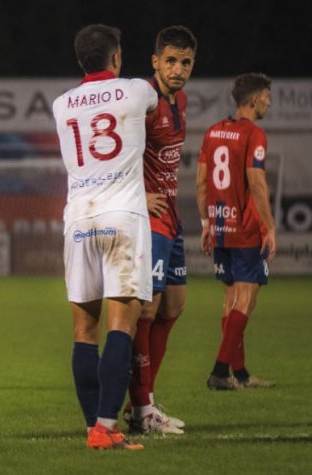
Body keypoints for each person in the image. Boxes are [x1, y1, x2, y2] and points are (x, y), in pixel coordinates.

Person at [52, 24, 157, 450]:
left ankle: (91, 426)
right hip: (123, 216)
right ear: (116, 57)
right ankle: (106, 428)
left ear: (81, 60)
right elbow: (157, 103)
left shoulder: (61, 104)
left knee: (84, 331)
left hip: (78, 219)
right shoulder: (136, 90)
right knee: (122, 326)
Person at [125, 26, 197, 435]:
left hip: (172, 216)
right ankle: (142, 408)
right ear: (155, 62)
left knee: (173, 307)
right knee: (147, 312)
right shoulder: (146, 103)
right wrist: (139, 194)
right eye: (170, 61)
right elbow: (121, 151)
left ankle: (144, 399)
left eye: (185, 62)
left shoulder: (180, 101)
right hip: (149, 219)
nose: (178, 69)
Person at [197, 73, 277, 391]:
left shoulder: (213, 131)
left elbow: (201, 183)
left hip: (220, 226)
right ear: (254, 99)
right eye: (267, 96)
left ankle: (240, 374)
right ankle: (220, 371)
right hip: (245, 229)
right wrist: (269, 227)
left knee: (231, 298)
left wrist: (206, 224)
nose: (269, 102)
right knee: (247, 298)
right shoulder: (254, 134)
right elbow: (256, 183)